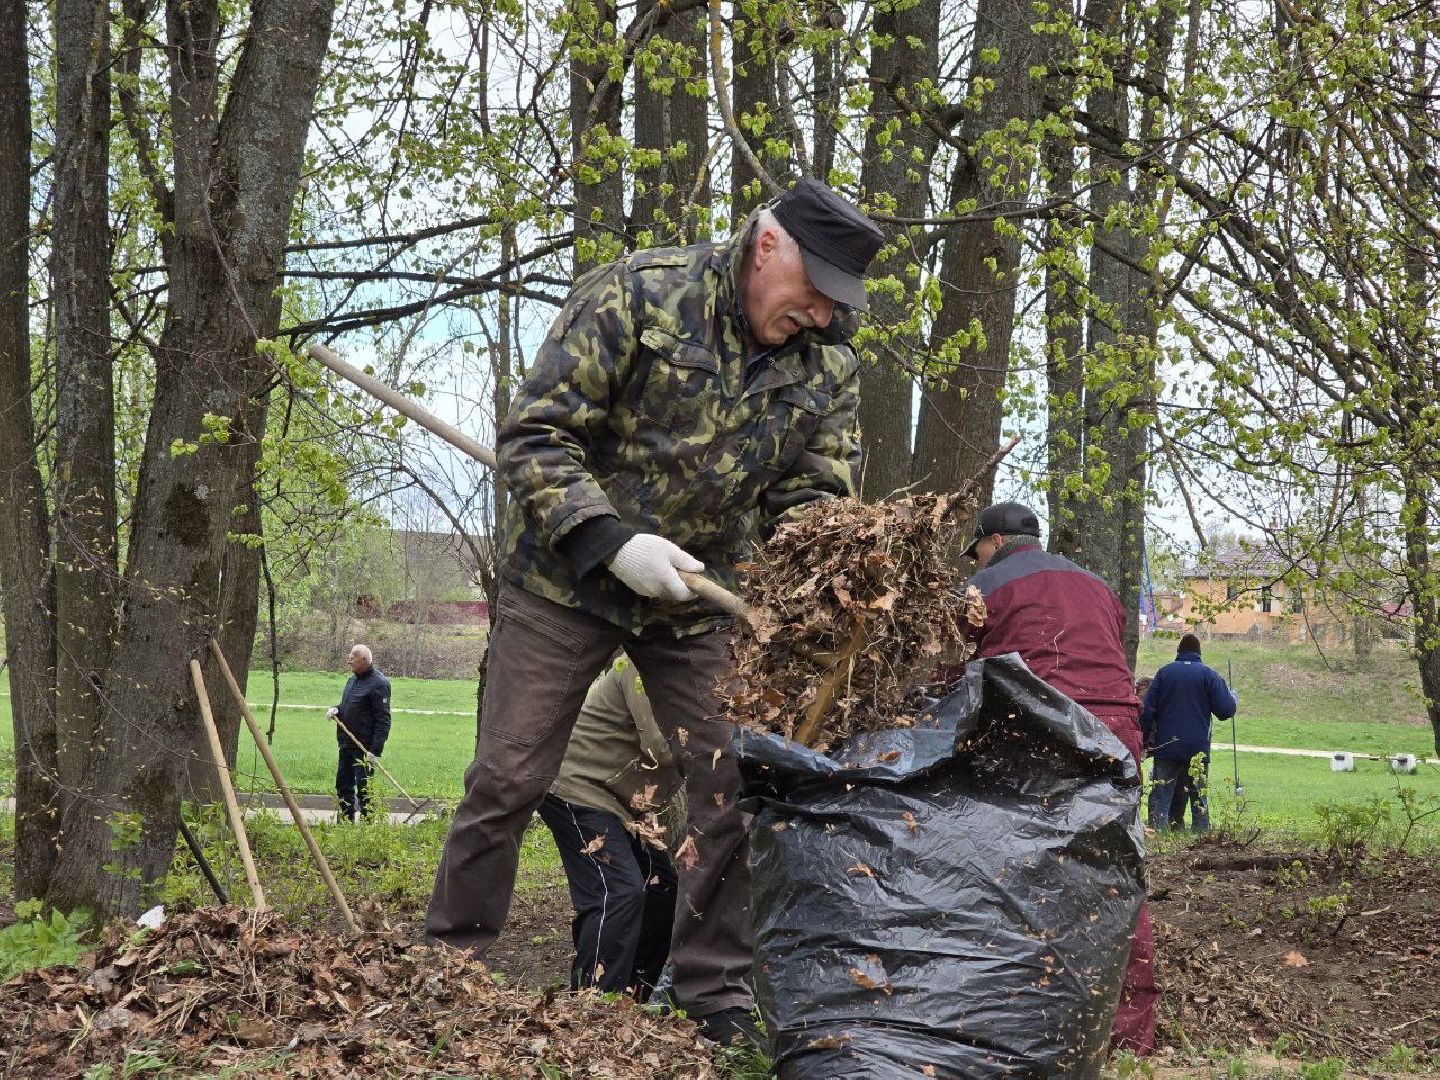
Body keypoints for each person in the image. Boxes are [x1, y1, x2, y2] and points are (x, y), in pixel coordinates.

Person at [425, 179, 884, 1045]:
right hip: (568, 577)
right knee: (509, 776)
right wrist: (609, 540)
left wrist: (820, 578)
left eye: (836, 302)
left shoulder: (827, 364)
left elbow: (810, 499)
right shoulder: (640, 294)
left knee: (736, 786)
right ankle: (451, 966)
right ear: (767, 248)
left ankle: (712, 992)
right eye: (815, 291)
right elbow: (536, 435)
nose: (822, 315)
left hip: (695, 600)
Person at [962, 501, 1159, 1056]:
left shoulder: (983, 587)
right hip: (1117, 729)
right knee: (1116, 868)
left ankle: (1027, 1020)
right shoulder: (1098, 585)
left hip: (1044, 725)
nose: (976, 562)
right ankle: (1129, 1033)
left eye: (977, 551)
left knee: (1020, 867)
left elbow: (953, 670)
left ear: (994, 542)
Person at [541, 654, 682, 999]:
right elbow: (661, 749)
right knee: (617, 891)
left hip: (619, 799)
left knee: (663, 887)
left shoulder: (694, 673)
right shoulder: (640, 664)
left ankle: (633, 996)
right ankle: (593, 1003)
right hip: (577, 787)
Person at [1140, 633, 1237, 833]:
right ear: (1199, 653)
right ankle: (1201, 838)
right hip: (1197, 749)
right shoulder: (1209, 675)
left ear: (1178, 651)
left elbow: (1147, 711)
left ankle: (1158, 838)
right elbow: (1225, 711)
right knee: (1199, 798)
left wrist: (1142, 740)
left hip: (1167, 747)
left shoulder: (1164, 673)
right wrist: (1233, 697)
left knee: (1161, 797)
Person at [329, 643, 392, 822]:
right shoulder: (352, 681)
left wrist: (375, 751)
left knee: (364, 788)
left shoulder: (379, 683)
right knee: (343, 785)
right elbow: (349, 706)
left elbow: (383, 720)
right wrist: (336, 710)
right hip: (346, 743)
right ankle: (345, 821)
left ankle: (367, 824)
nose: (348, 661)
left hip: (364, 748)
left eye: (352, 658)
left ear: (364, 660)